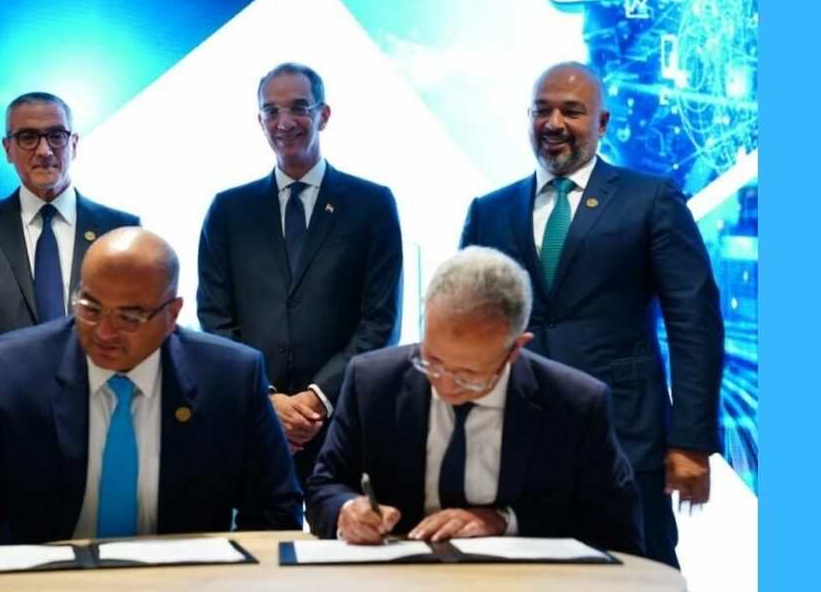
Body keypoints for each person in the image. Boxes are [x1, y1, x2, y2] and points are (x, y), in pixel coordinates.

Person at [458, 61, 723, 567]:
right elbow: (463, 329)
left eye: (572, 111)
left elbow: (694, 324)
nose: (553, 123)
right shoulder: (488, 211)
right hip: (516, 452)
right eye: (541, 110)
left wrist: (691, 440)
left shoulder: (651, 199)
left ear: (601, 123)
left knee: (640, 577)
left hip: (627, 442)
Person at [0, 227, 302, 554]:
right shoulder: (8, 371)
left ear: (172, 315)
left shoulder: (230, 377)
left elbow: (276, 511)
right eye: (90, 307)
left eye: (129, 317)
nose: (104, 332)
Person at [306, 247, 643, 555]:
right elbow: (324, 487)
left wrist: (505, 521)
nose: (445, 385)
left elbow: (614, 529)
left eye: (469, 374)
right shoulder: (372, 382)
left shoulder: (573, 404)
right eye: (432, 360)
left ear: (515, 349)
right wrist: (347, 510)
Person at [197, 63, 403, 486]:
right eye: (271, 111)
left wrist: (316, 400)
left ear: (323, 115)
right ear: (260, 120)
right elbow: (215, 320)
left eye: (298, 108)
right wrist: (267, 399)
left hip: (343, 424)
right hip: (254, 423)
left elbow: (380, 321)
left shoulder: (372, 204)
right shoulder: (228, 211)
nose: (284, 122)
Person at [0, 91, 140, 380]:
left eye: (56, 135)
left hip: (104, 401)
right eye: (28, 137)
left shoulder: (121, 230)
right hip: (7, 404)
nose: (45, 150)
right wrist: (20, 397)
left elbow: (137, 327)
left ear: (74, 144)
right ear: (8, 149)